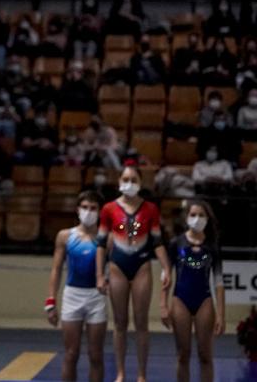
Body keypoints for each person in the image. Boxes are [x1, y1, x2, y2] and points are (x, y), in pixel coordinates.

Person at [96, 163, 170, 382]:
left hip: (141, 266)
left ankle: (141, 374)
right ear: (119, 183)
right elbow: (101, 243)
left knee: (141, 323)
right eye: (125, 180)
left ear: (140, 183)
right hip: (117, 266)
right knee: (119, 323)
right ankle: (120, 373)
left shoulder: (150, 209)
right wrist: (100, 274)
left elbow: (157, 241)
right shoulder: (108, 209)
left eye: (133, 180)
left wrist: (167, 267)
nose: (129, 184)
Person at [161, 200, 225, 382]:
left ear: (207, 219)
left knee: (205, 355)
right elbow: (165, 276)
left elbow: (219, 281)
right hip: (180, 299)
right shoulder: (176, 243)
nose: (197, 219)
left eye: (201, 215)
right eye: (193, 215)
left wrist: (220, 314)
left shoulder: (212, 246)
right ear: (187, 217)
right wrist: (163, 304)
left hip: (204, 300)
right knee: (183, 354)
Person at [46, 191, 106, 382]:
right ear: (77, 210)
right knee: (71, 354)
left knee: (96, 355)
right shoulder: (64, 236)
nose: (89, 212)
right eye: (85, 208)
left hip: (96, 297)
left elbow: (132, 232)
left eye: (93, 208)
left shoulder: (107, 237)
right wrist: (50, 301)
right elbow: (56, 270)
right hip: (72, 295)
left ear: (100, 211)